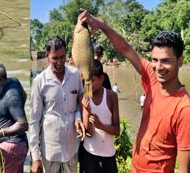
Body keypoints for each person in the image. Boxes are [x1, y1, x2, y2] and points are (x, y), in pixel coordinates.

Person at [77, 9, 190, 172]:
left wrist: (100, 124)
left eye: (166, 61)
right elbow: (126, 49)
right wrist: (102, 25)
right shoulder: (152, 79)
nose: (158, 67)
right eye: (155, 60)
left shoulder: (184, 108)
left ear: (180, 61)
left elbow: (185, 168)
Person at [30, 36, 85, 173]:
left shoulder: (75, 75)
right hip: (50, 149)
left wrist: (78, 117)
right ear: (47, 55)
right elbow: (34, 120)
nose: (60, 62)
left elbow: (80, 102)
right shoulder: (39, 81)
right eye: (55, 58)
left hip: (72, 147)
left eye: (63, 57)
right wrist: (35, 156)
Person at [0, 61, 29, 173]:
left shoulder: (11, 96)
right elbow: (24, 95)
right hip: (17, 145)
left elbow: (23, 124)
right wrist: (14, 112)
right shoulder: (13, 80)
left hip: (13, 146)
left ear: (0, 80)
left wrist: (0, 133)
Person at [80, 59, 120, 173]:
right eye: (86, 81)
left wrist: (101, 125)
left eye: (92, 81)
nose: (88, 84)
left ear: (101, 79)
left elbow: (117, 130)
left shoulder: (111, 96)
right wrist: (87, 111)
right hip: (90, 153)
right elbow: (89, 133)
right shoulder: (84, 97)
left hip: (108, 154)